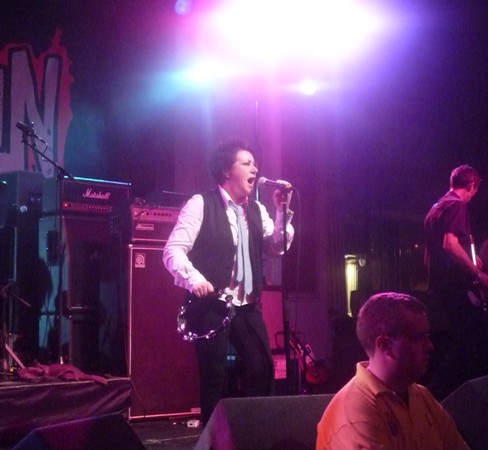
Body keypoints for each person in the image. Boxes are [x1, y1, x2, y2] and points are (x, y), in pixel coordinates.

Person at [163, 138, 294, 425]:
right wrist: (195, 279)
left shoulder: (257, 210)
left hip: (246, 305)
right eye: (246, 163)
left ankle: (258, 432)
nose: (255, 169)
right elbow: (173, 250)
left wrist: (282, 210)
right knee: (215, 376)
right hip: (212, 304)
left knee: (262, 367)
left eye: (255, 164)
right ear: (226, 171)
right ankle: (214, 438)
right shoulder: (201, 204)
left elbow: (277, 245)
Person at [316, 292, 470, 450]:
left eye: (428, 336)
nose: (430, 346)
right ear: (384, 345)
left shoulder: (421, 395)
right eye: (418, 338)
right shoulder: (355, 413)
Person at [423, 164, 488, 400]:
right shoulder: (457, 205)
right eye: (474, 191)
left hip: (439, 286)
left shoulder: (437, 207)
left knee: (459, 342)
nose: (473, 196)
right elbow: (449, 244)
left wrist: (470, 258)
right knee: (472, 340)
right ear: (471, 186)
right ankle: (440, 396)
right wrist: (477, 273)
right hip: (454, 286)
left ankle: (438, 395)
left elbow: (438, 249)